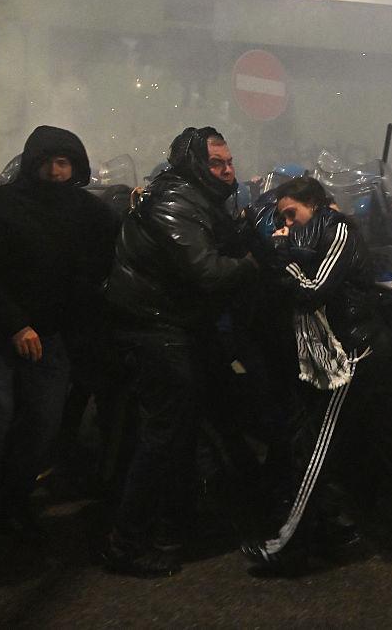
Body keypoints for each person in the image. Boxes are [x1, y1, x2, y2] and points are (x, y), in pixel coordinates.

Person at [242, 177, 392, 571]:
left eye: (292, 213)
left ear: (314, 204)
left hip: (352, 352)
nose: (288, 223)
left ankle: (289, 544)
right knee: (383, 436)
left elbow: (312, 289)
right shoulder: (318, 234)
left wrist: (280, 256)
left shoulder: (337, 230)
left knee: (316, 449)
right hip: (359, 346)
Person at [103, 127, 258, 577]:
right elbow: (206, 270)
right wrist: (255, 261)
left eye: (229, 162)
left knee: (190, 425)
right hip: (155, 327)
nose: (227, 170)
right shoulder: (175, 201)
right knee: (164, 433)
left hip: (174, 324)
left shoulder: (197, 199)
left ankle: (174, 523)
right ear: (194, 165)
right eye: (216, 163)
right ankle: (125, 542)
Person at [0, 126, 118, 592]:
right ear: (32, 163)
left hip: (50, 338)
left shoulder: (85, 212)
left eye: (64, 162)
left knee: (42, 426)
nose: (56, 172)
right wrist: (16, 324)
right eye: (47, 162)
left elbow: (113, 251)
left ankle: (15, 504)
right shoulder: (3, 207)